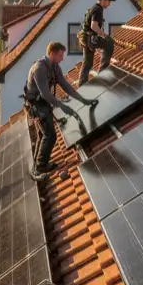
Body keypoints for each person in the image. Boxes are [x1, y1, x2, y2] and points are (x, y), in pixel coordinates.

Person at [22, 41, 98, 181]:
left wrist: (83, 100)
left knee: (43, 134)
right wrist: (62, 106)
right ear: (52, 54)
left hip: (43, 102)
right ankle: (39, 168)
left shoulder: (55, 67)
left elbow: (66, 86)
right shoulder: (39, 69)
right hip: (36, 104)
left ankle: (40, 163)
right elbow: (45, 93)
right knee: (50, 135)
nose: (62, 58)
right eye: (60, 55)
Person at [77, 0, 117, 86]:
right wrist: (105, 36)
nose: (109, 4)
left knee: (87, 63)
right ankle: (102, 71)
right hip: (90, 38)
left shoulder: (92, 9)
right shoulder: (98, 10)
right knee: (109, 43)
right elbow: (94, 26)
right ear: (103, 1)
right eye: (109, 1)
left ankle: (81, 84)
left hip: (85, 39)